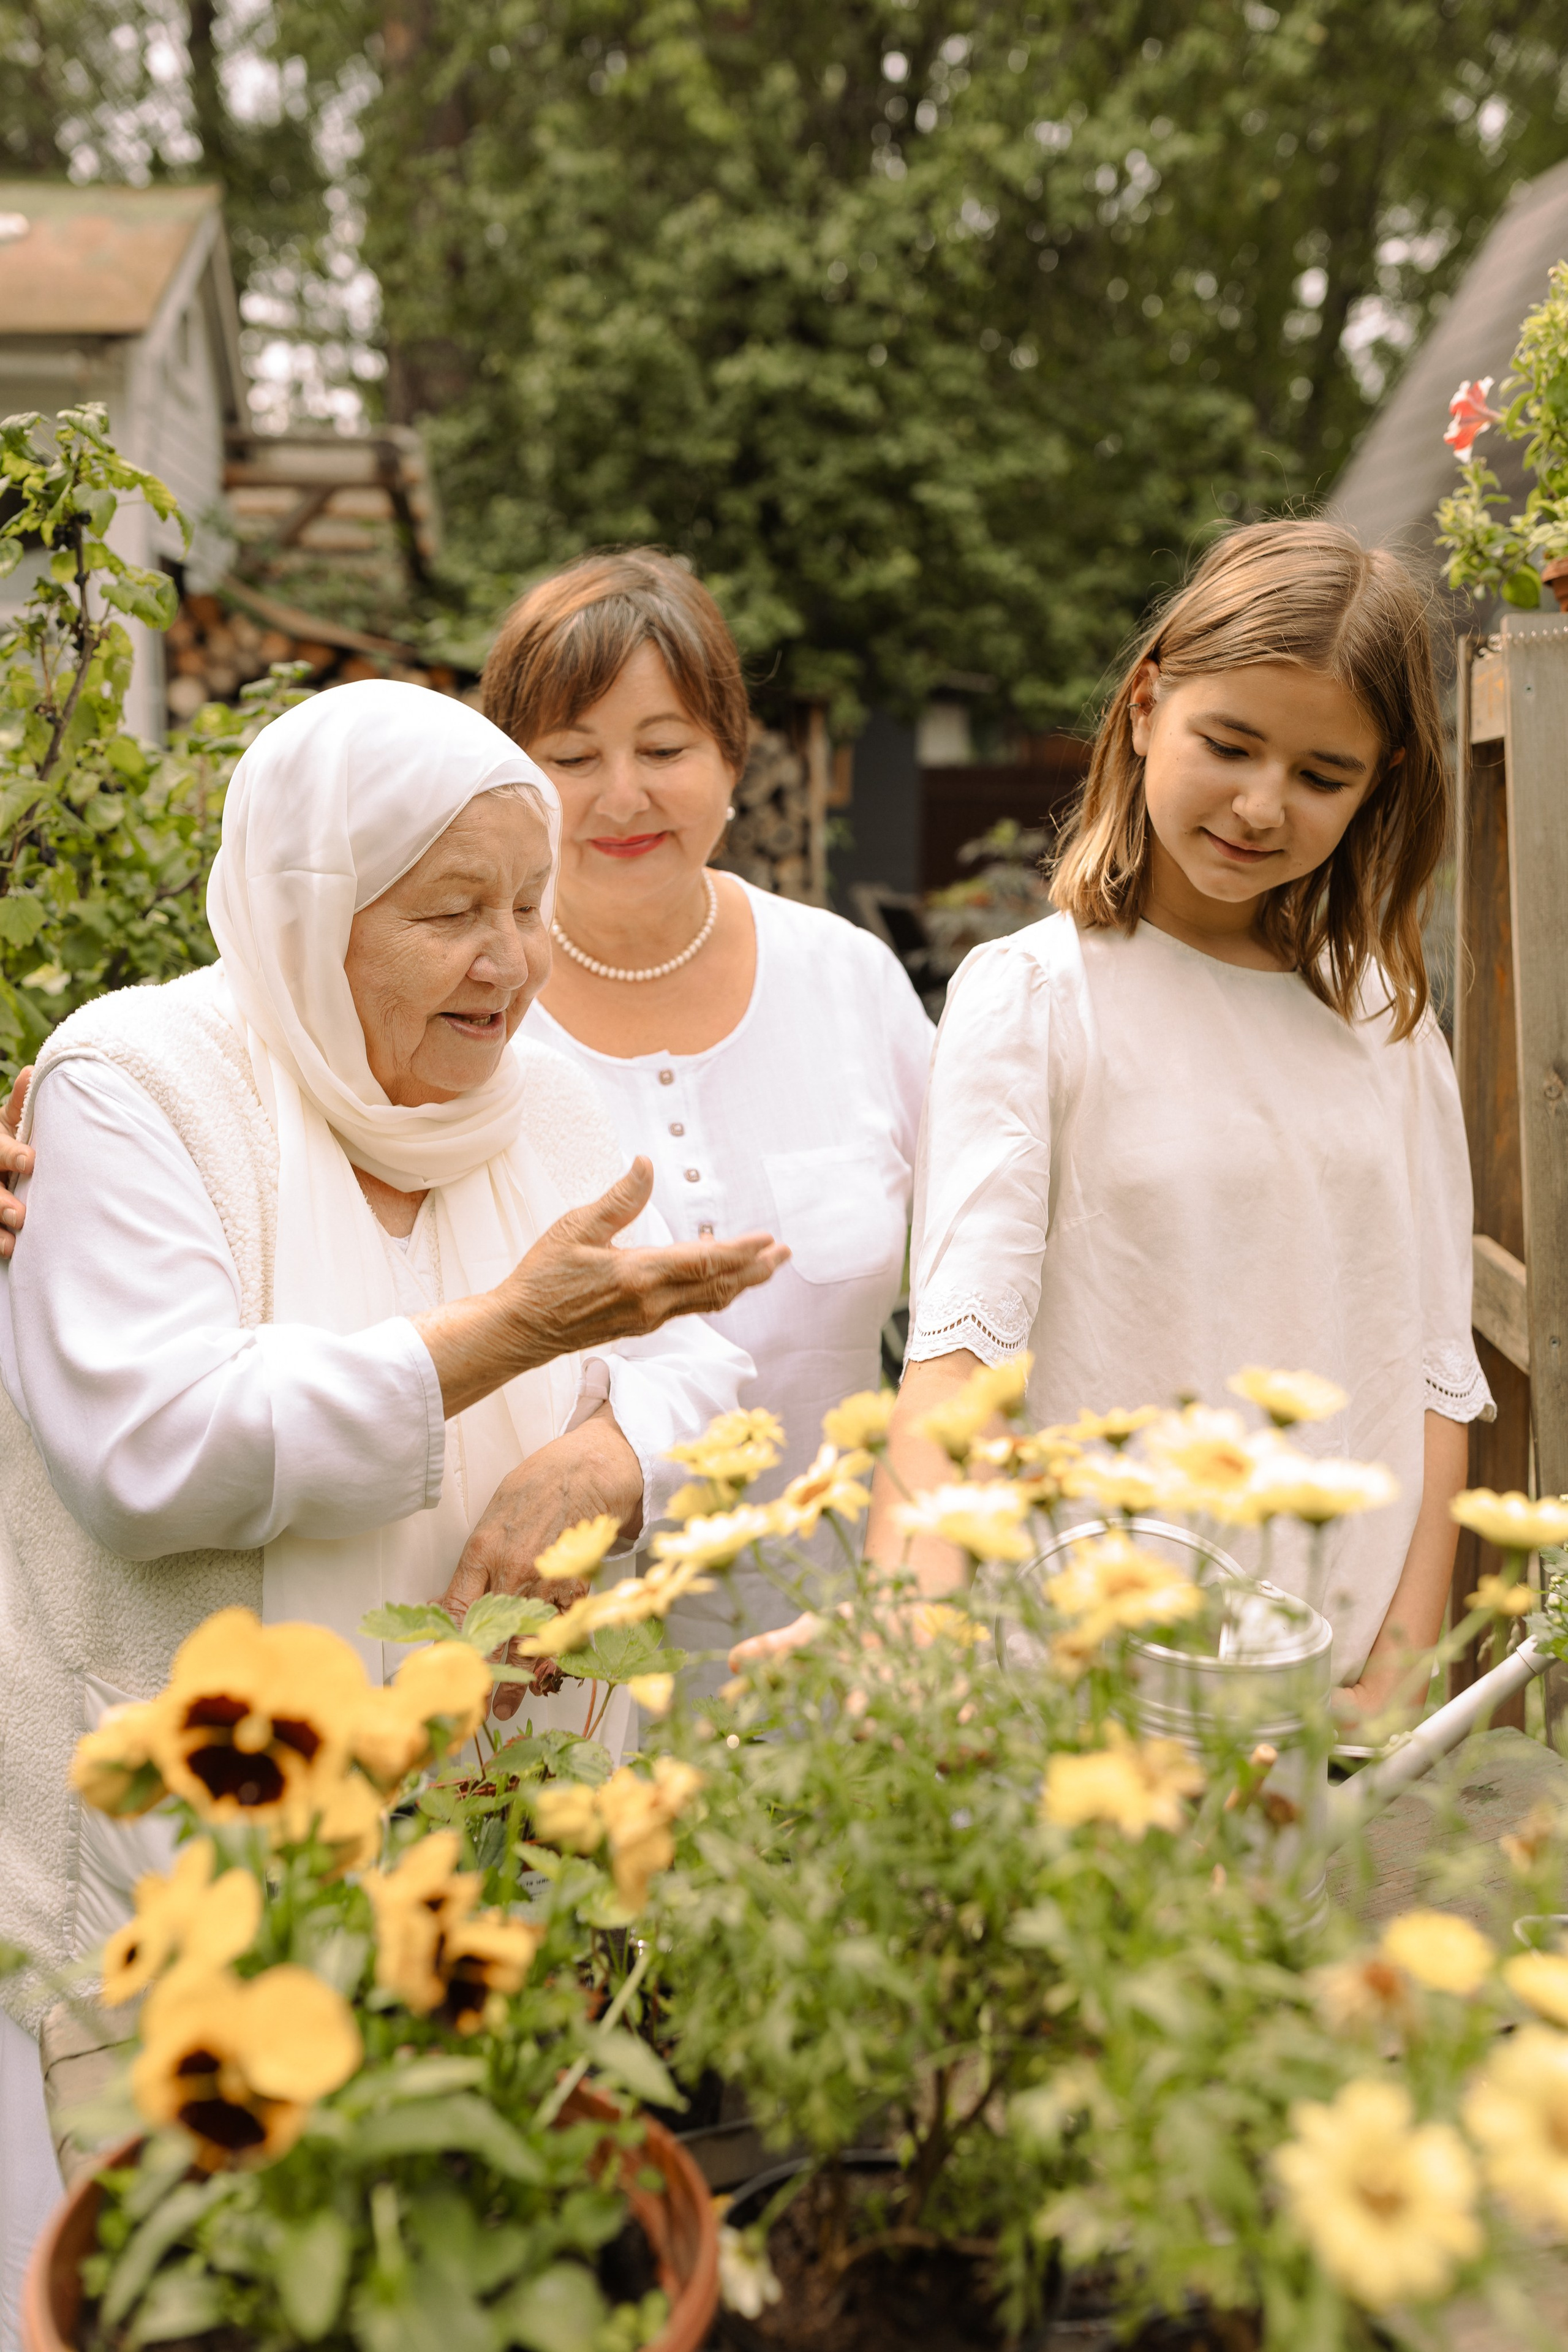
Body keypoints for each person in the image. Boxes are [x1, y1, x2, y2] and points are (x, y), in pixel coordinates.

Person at [0, 681, 778, 2337]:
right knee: (203, 2286)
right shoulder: (138, 1086)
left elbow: (700, 1348)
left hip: (485, 1860)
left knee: (460, 2277)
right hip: (200, 1866)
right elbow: (150, 1446)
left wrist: (608, 1451)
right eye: (451, 912)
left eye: (527, 904)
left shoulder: (550, 1099)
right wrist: (505, 1342)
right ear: (308, 907)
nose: (512, 961)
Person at [862, 520, 1489, 1717]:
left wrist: (1393, 1683)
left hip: (1331, 1708)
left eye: (1319, 775)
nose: (1260, 806)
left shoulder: (1384, 1018)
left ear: (1381, 785)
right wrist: (909, 1657)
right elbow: (958, 1360)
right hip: (1097, 1694)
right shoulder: (1034, 998)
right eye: (1229, 743)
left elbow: (1429, 1370)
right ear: (1146, 705)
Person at [482, 551, 934, 1656]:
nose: (623, 795)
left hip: (834, 1644)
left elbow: (993, 1266)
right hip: (544, 1665)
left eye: (666, 747)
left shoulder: (847, 979)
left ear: (733, 756)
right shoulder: (469, 1007)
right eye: (572, 756)